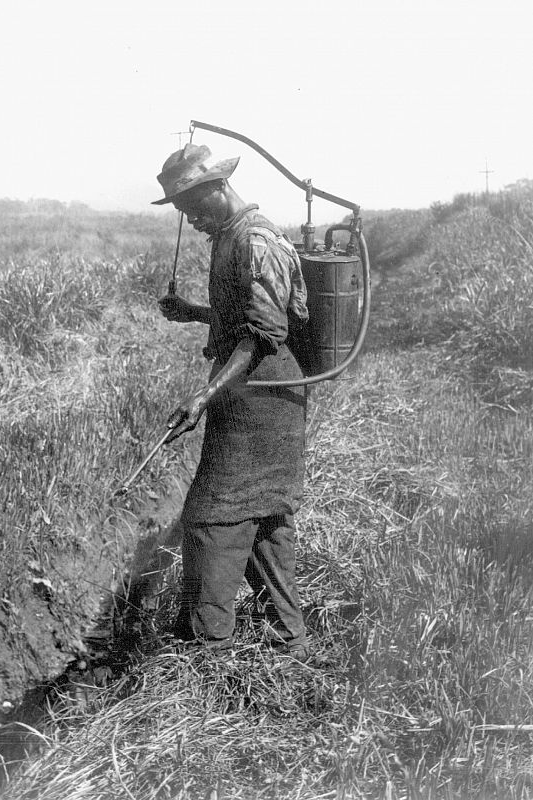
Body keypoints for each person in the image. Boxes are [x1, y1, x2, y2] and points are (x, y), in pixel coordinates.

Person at [152, 143, 310, 657]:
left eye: (196, 207)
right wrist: (194, 311)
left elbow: (264, 331)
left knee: (210, 517)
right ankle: (288, 643)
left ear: (219, 187)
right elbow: (239, 315)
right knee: (262, 519)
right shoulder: (229, 236)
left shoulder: (256, 240)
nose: (192, 219)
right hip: (252, 391)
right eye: (184, 212)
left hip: (264, 395)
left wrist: (202, 395)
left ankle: (208, 650)